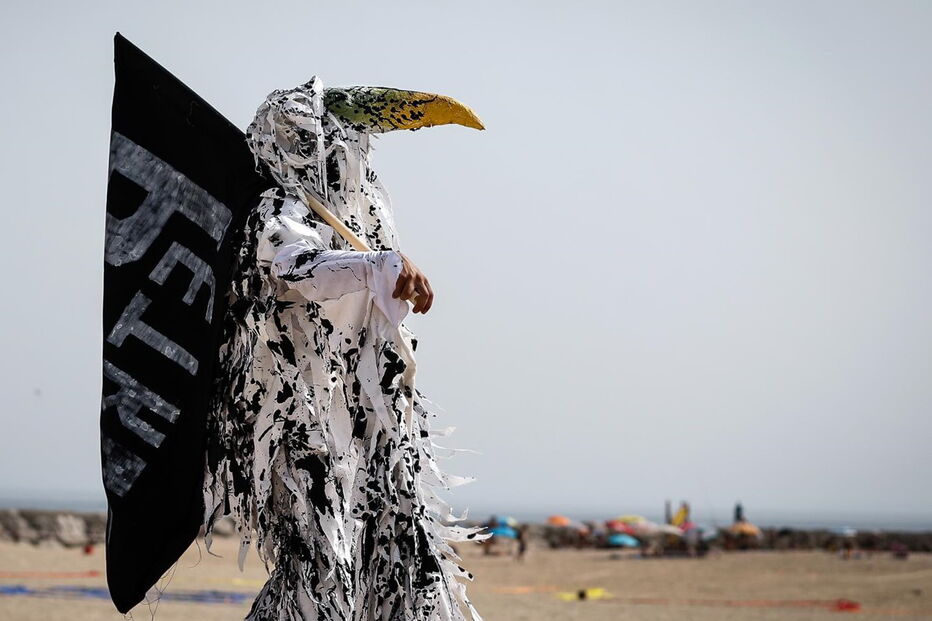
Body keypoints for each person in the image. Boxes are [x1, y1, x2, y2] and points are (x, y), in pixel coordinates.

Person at [202, 77, 486, 620]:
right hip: (307, 426)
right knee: (321, 569)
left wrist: (383, 264)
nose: (348, 161)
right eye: (334, 145)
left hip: (373, 421)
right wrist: (379, 265)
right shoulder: (278, 210)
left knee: (406, 561)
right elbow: (298, 271)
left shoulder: (347, 219)